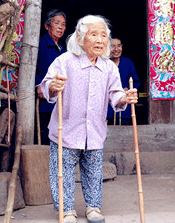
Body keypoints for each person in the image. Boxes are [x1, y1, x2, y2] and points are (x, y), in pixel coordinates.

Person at [39, 15, 138, 223]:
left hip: (94, 131)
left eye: (104, 35)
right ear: (80, 38)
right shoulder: (64, 61)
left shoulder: (109, 67)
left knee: (93, 172)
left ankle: (93, 208)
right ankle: (66, 210)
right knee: (63, 173)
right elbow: (45, 86)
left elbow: (115, 94)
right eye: (94, 34)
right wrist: (52, 86)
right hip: (65, 130)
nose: (100, 40)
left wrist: (125, 98)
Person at [35, 9, 67, 145]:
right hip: (45, 101)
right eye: (57, 23)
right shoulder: (41, 44)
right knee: (46, 138)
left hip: (61, 101)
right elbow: (31, 68)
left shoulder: (62, 48)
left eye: (63, 24)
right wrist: (38, 86)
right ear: (47, 26)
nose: (61, 27)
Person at [107, 37, 141, 125]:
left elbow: (136, 82)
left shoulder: (128, 63)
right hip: (107, 110)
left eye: (119, 46)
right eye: (112, 46)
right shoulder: (104, 63)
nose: (116, 49)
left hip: (125, 111)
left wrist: (129, 90)